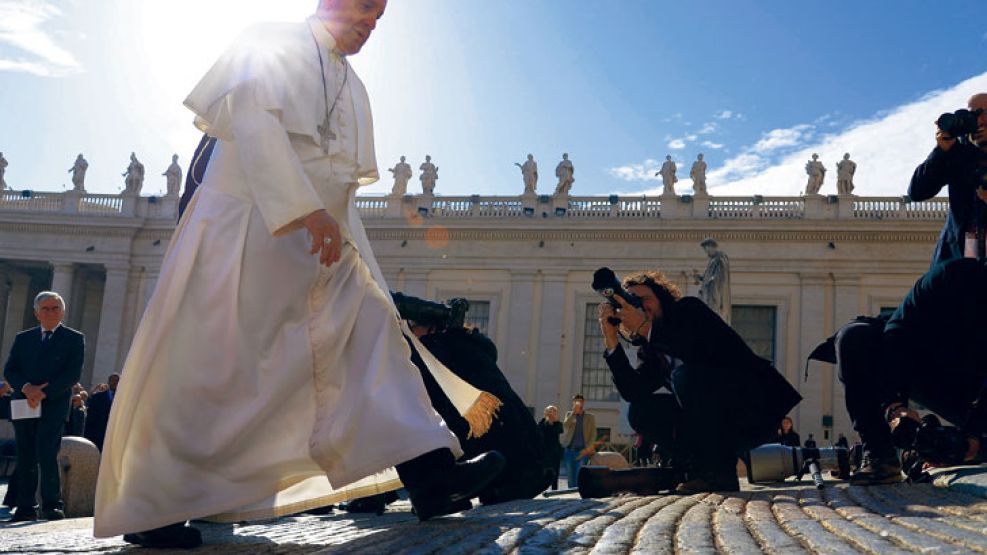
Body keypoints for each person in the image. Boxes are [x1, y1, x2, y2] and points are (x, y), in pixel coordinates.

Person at [93, 1, 504, 548]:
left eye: (380, 17)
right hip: (245, 227)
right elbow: (254, 122)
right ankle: (152, 506)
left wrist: (348, 242)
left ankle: (432, 476)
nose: (370, 24)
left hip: (321, 245)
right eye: (364, 7)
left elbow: (339, 178)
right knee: (210, 365)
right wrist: (301, 208)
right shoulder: (271, 41)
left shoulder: (352, 85)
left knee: (374, 337)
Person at [598, 270, 801, 493]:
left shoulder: (689, 310)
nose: (639, 307)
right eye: (631, 302)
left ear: (662, 298)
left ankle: (719, 474)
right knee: (639, 411)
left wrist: (645, 328)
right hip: (712, 426)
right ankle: (695, 468)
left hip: (752, 411)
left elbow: (696, 352)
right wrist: (611, 342)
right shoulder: (651, 349)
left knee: (685, 376)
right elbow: (633, 391)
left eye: (644, 299)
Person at [836, 257, 987, 485]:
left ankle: (954, 452)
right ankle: (880, 455)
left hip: (974, 393)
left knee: (973, 444)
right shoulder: (953, 274)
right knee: (855, 337)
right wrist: (894, 406)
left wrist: (973, 436)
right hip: (929, 370)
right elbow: (898, 334)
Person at [407, 314, 552, 504]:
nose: (410, 335)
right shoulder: (470, 345)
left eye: (412, 329)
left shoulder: (437, 348)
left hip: (500, 457)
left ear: (429, 329)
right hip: (531, 456)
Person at [3, 291, 85, 522]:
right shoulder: (23, 338)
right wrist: (27, 388)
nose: (50, 312)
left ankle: (52, 504)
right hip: (23, 401)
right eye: (45, 309)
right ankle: (25, 505)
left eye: (55, 308)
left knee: (47, 452)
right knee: (25, 453)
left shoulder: (73, 338)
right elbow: (10, 369)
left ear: (62, 312)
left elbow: (72, 374)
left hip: (54, 404)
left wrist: (43, 393)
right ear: (36, 313)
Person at [909, 93, 987, 266]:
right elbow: (918, 191)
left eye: (984, 113)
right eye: (972, 115)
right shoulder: (958, 154)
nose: (978, 122)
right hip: (964, 256)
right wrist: (941, 151)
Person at [560, 394, 596, 488]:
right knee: (570, 478)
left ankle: (579, 498)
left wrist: (588, 447)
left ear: (583, 403)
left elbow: (593, 434)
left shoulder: (590, 417)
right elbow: (565, 426)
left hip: (582, 451)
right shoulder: (569, 414)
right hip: (569, 450)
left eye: (580, 401)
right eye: (576, 401)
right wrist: (573, 414)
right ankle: (572, 500)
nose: (578, 403)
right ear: (573, 403)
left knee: (578, 476)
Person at [693, 238, 731, 324]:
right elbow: (708, 277)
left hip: (715, 294)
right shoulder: (712, 260)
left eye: (707, 250)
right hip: (709, 293)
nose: (707, 253)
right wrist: (700, 278)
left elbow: (720, 275)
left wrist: (710, 282)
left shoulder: (720, 257)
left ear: (712, 247)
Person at [84, 372, 118, 451]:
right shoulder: (97, 397)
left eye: (117, 381)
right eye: (113, 380)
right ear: (108, 382)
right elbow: (90, 415)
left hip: (113, 433)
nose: (115, 383)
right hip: (97, 432)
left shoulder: (122, 399)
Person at [538, 405, 563, 490]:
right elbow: (539, 433)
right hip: (545, 451)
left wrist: (553, 421)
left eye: (554, 411)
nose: (552, 413)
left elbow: (559, 431)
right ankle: (541, 489)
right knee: (544, 471)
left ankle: (554, 490)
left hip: (555, 451)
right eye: (550, 411)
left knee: (555, 471)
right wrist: (547, 421)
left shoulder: (558, 424)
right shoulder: (542, 422)